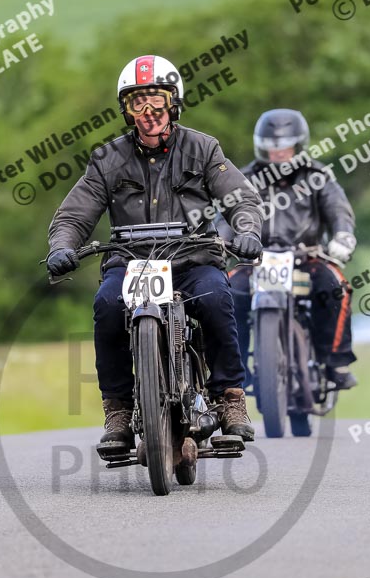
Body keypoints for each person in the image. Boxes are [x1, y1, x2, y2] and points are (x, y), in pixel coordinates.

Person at [46, 55, 263, 450]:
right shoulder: (106, 159)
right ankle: (118, 409)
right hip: (130, 265)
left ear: (174, 103)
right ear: (126, 110)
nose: (148, 113)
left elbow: (241, 199)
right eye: (137, 103)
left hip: (193, 261)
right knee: (107, 306)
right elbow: (73, 215)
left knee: (217, 297)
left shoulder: (204, 148)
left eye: (157, 101)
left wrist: (247, 230)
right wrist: (62, 247)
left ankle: (230, 398)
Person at [229, 108, 358, 391]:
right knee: (225, 292)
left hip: (306, 257)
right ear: (261, 146)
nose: (279, 153)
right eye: (272, 147)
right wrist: (221, 239)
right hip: (256, 260)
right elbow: (227, 214)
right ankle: (232, 367)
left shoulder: (318, 175)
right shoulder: (245, 177)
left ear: (298, 145)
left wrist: (343, 235)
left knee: (336, 285)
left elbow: (338, 210)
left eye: (285, 146)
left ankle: (335, 362)